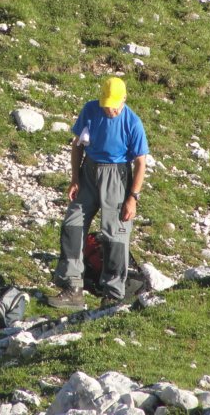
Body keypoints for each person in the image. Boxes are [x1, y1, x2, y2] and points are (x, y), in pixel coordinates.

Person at [48, 77, 149, 310]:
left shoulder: (132, 122)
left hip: (117, 176)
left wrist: (132, 197)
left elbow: (140, 163)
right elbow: (77, 145)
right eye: (106, 104)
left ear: (124, 99)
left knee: (115, 235)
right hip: (89, 172)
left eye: (113, 105)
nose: (109, 110)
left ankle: (112, 295)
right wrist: (75, 178)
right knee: (72, 224)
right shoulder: (90, 110)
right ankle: (72, 288)